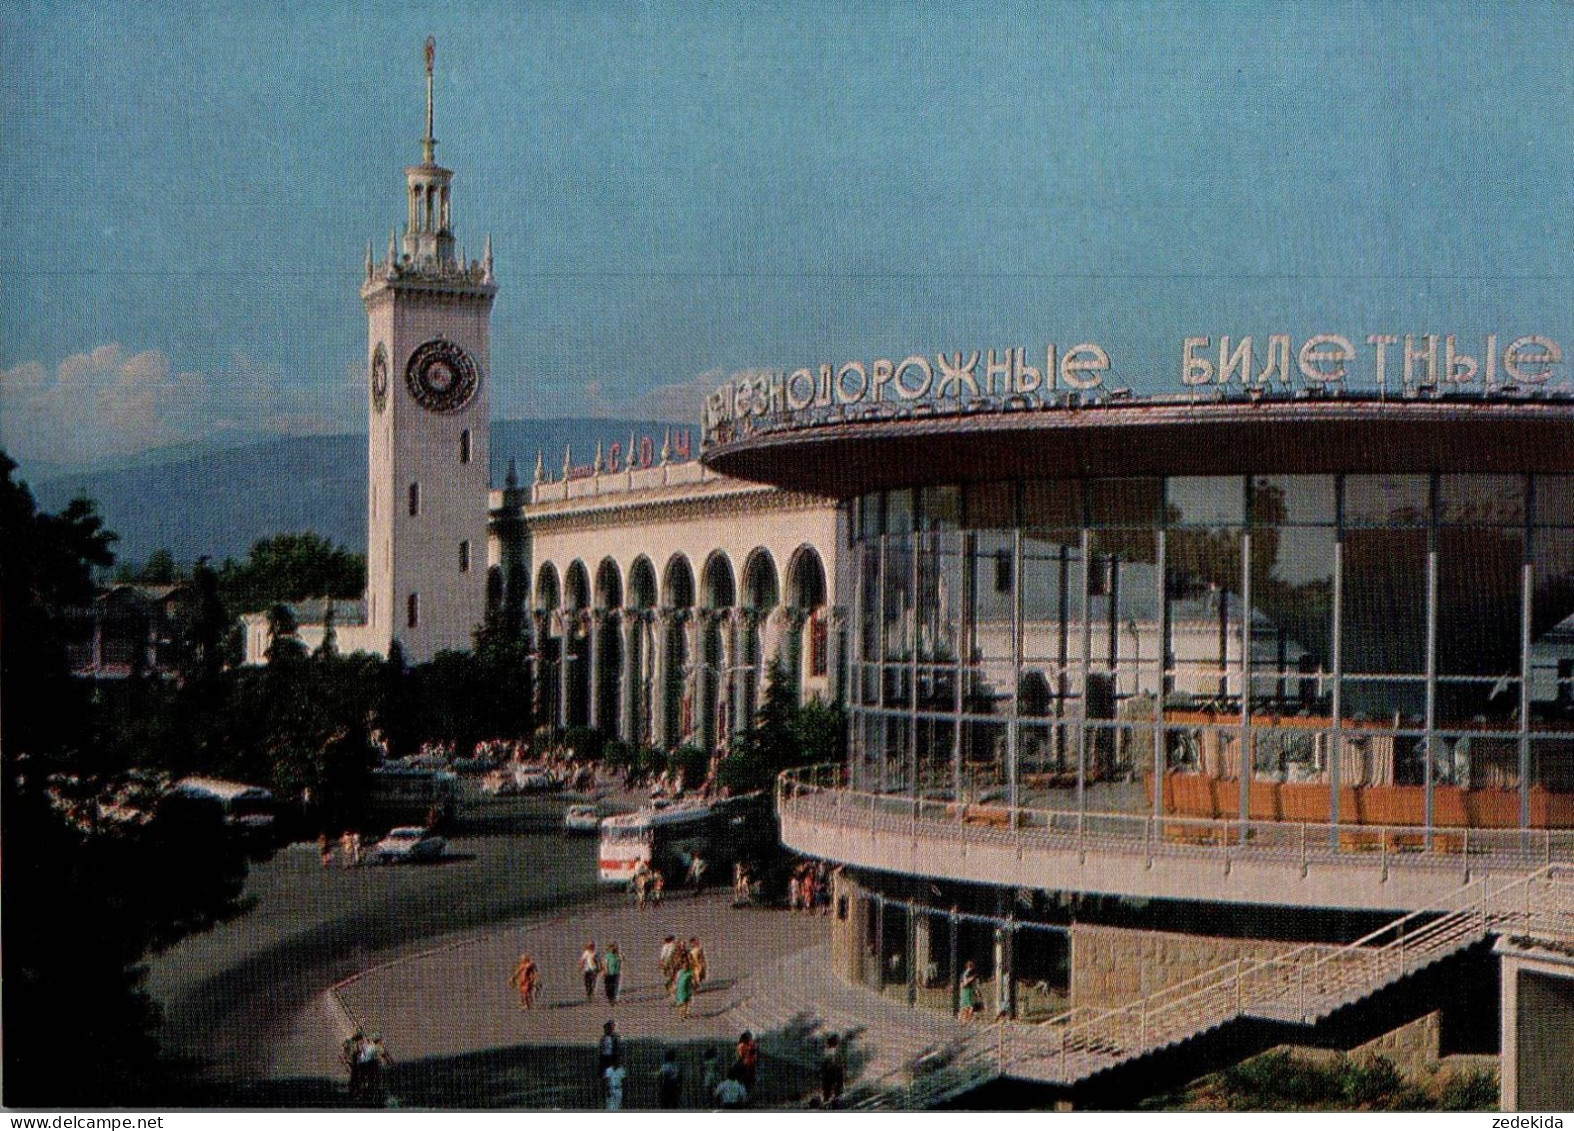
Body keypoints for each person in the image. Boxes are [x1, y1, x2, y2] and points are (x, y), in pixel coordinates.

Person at [820, 1033, 846, 1107]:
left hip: (831, 1072)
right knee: (831, 1089)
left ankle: (829, 1100)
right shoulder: (830, 1051)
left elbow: (826, 1063)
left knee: (828, 1090)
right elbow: (828, 1063)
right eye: (837, 1041)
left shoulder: (829, 1050)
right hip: (832, 1072)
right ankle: (833, 1101)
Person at [341, 1028, 365, 1099]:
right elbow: (343, 1048)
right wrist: (343, 1058)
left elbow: (360, 1052)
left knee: (355, 1076)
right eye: (360, 1038)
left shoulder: (358, 1043)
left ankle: (354, 1090)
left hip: (355, 1062)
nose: (361, 1039)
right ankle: (354, 1091)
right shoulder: (349, 1040)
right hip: (350, 1061)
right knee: (354, 1076)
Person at [674, 956, 696, 1020]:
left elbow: (693, 980)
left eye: (686, 966)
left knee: (686, 1002)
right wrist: (675, 987)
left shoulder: (690, 972)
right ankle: (682, 1014)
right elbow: (676, 980)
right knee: (682, 1003)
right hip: (680, 990)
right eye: (684, 966)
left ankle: (684, 1014)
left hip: (687, 989)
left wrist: (693, 986)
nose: (685, 967)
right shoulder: (680, 972)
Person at [602, 942, 622, 1006]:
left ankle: (614, 999)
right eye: (615, 947)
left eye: (617, 947)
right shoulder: (608, 955)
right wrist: (606, 971)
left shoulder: (618, 955)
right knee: (609, 987)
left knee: (615, 986)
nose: (616, 948)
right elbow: (605, 964)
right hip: (608, 973)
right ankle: (610, 998)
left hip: (616, 973)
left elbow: (622, 961)